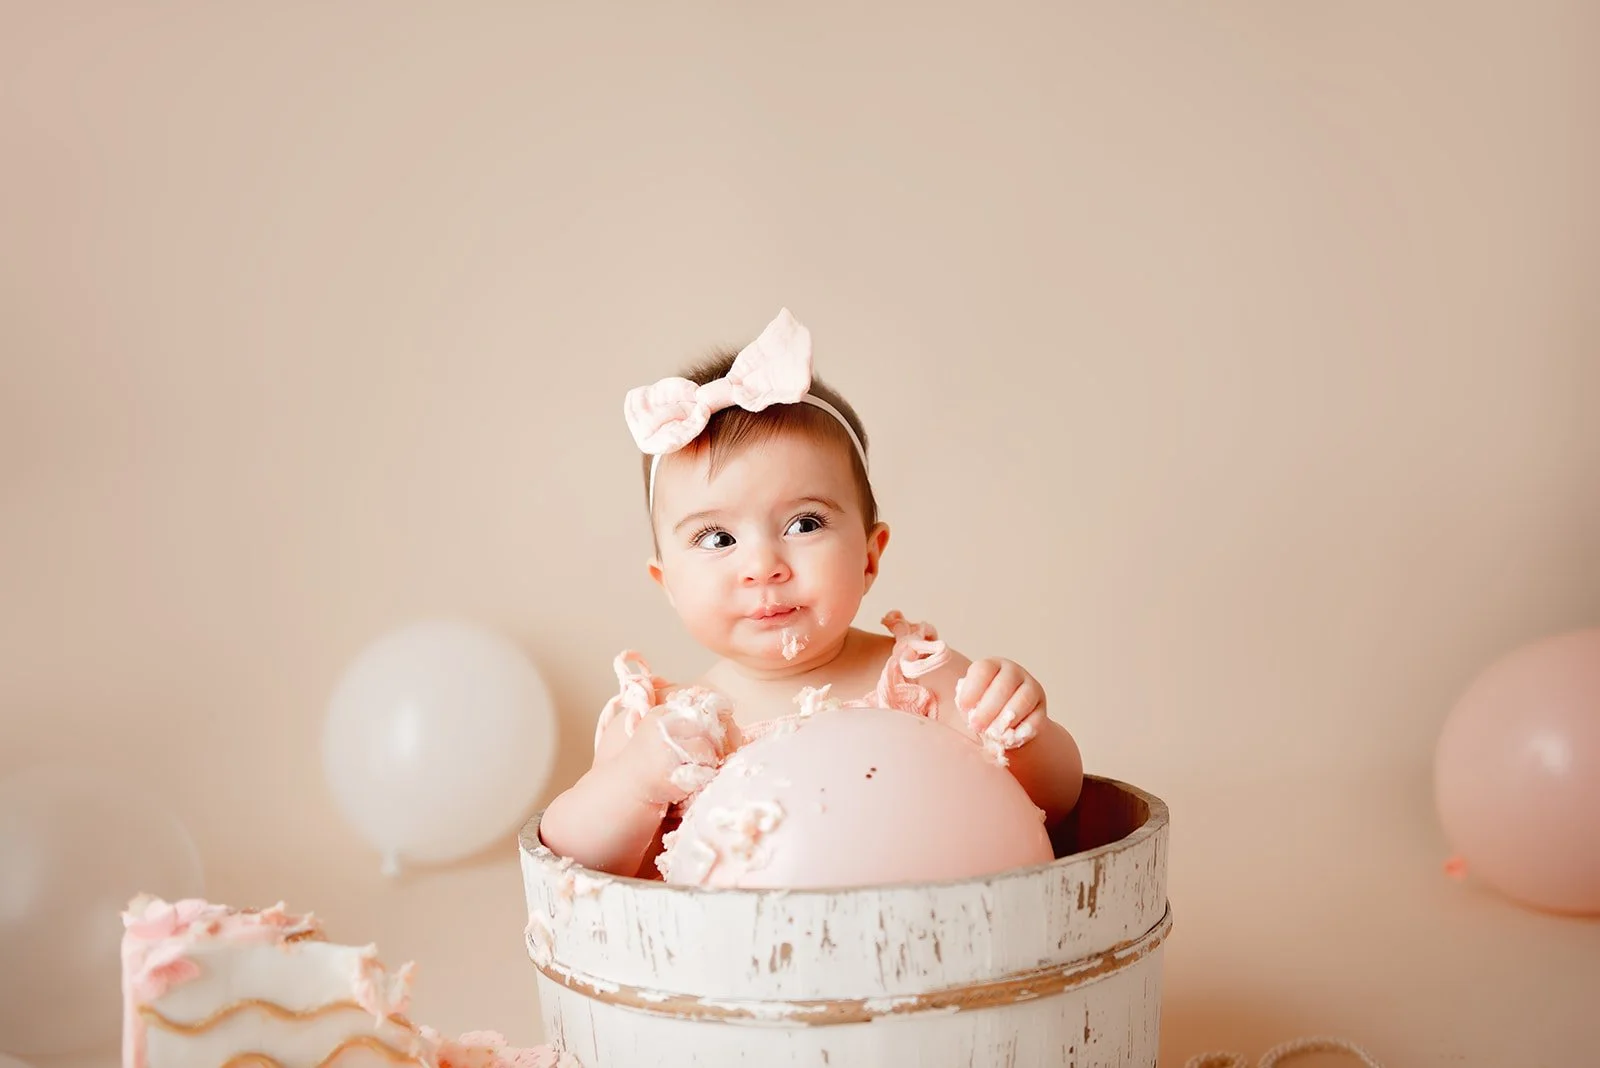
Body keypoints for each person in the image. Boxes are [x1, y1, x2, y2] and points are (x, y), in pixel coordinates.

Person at [539, 308, 1083, 878]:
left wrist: (1023, 736)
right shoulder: (660, 728)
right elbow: (574, 857)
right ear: (667, 583)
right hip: (731, 964)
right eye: (717, 537)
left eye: (805, 525)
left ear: (870, 556)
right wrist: (637, 784)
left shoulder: (921, 681)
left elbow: (1059, 801)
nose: (764, 567)